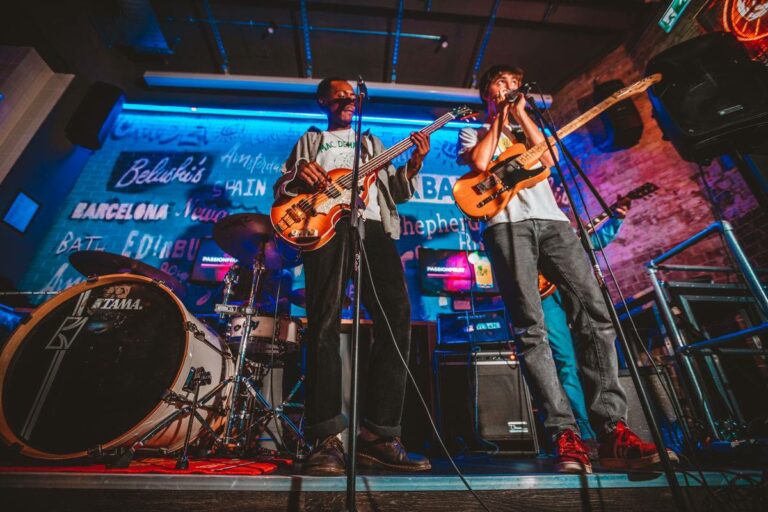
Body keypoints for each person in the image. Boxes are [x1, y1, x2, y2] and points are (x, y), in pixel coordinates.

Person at [456, 64, 678, 473]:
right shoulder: (475, 131)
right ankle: (565, 433)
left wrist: (522, 114)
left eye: (514, 83)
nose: (510, 88)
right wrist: (500, 117)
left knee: (595, 312)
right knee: (531, 327)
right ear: (487, 93)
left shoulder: (529, 129)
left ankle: (612, 428)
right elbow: (482, 162)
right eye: (501, 84)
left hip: (554, 223)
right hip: (506, 226)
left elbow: (551, 158)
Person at [273, 77, 431, 475]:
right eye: (339, 94)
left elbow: (395, 191)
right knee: (323, 325)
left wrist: (413, 165)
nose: (348, 99)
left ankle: (378, 436)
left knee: (397, 321)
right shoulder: (311, 141)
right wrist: (297, 178)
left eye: (352, 94)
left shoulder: (373, 144)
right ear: (324, 100)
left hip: (373, 227)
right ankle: (326, 439)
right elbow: (282, 187)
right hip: (324, 230)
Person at [545, 208, 627, 443]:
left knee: (595, 350)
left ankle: (609, 425)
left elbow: (594, 242)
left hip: (576, 286)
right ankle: (583, 430)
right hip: (548, 295)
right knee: (565, 361)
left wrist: (617, 217)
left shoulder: (567, 212)